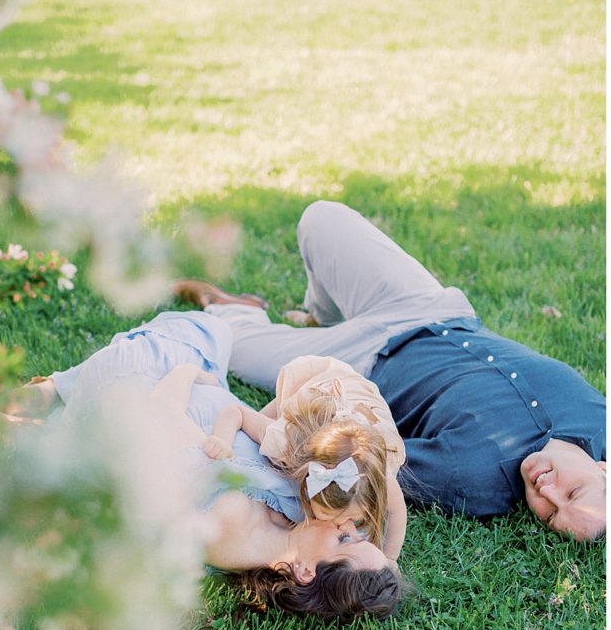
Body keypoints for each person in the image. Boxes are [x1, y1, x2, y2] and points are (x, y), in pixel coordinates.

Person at [175, 200, 606, 541]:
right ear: (604, 471)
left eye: (550, 515)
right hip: (434, 308)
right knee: (321, 218)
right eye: (573, 492)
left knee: (231, 341)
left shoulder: (471, 479)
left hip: (361, 360)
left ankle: (235, 308)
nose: (546, 493)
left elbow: (365, 461)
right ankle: (320, 313)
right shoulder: (600, 420)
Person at [12, 308, 406, 621]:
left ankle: (54, 400)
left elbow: (154, 424)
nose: (347, 524)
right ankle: (58, 392)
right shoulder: (301, 519)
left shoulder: (229, 518)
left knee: (207, 329)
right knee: (214, 335)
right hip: (194, 397)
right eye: (358, 534)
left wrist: (190, 376)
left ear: (305, 572)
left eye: (345, 540)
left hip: (146, 390)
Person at [202, 353, 407, 560]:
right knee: (271, 424)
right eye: (327, 515)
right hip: (322, 383)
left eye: (353, 518)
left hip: (363, 401)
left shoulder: (380, 478)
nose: (342, 526)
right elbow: (236, 412)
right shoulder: (288, 443)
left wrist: (390, 558)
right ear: (309, 485)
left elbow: (397, 511)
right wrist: (222, 440)